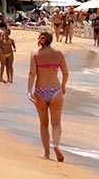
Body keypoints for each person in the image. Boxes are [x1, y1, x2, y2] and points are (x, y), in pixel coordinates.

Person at [28, 31, 69, 162]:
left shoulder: (35, 54)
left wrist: (29, 91)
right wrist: (63, 86)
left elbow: (32, 74)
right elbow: (66, 73)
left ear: (41, 40)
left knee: (44, 124)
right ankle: (56, 144)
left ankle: (47, 153)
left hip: (40, 91)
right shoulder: (58, 53)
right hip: (55, 90)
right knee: (56, 123)